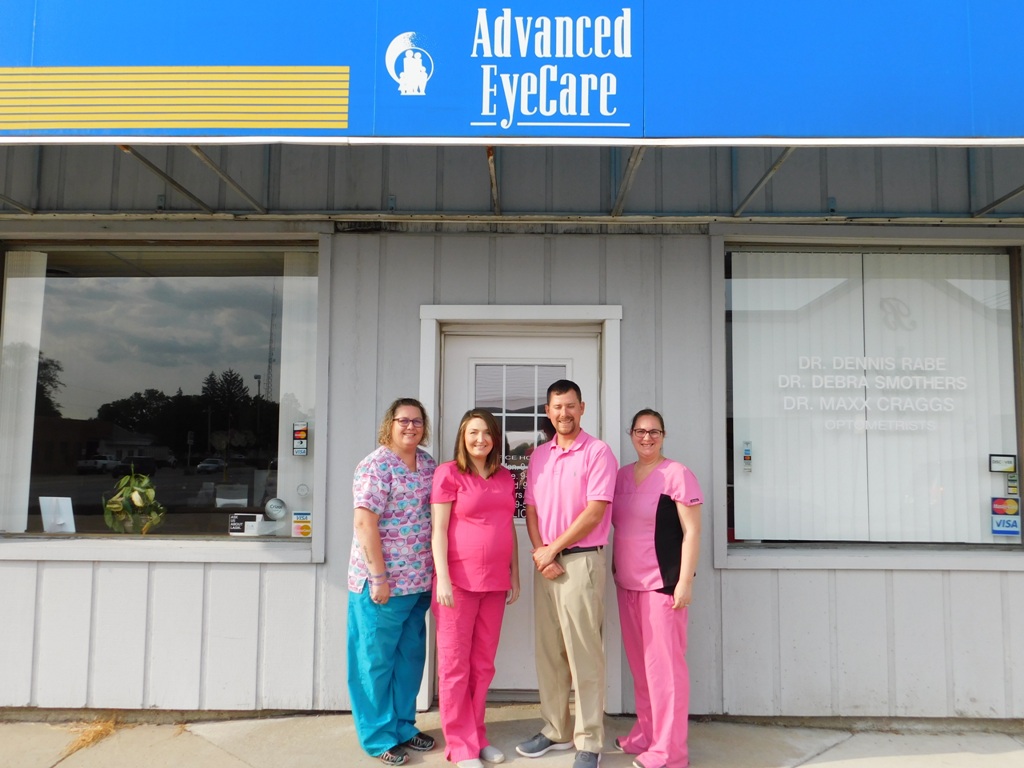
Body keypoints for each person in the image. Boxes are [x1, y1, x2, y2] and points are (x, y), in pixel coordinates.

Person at [516, 380, 618, 768]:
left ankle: (589, 740)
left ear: (582, 408)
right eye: (557, 407)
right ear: (548, 411)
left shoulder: (597, 452)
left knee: (584, 654)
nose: (564, 413)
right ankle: (556, 730)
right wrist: (542, 554)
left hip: (581, 562)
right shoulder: (539, 456)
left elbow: (595, 511)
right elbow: (531, 510)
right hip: (546, 563)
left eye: (571, 406)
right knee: (550, 651)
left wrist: (552, 548)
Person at [347, 398, 438, 767]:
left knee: (409, 659)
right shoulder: (376, 465)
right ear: (390, 424)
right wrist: (379, 577)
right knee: (375, 663)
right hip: (381, 586)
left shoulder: (428, 464)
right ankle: (377, 736)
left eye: (417, 421)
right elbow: (364, 522)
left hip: (418, 583)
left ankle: (402, 726)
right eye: (403, 420)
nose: (410, 427)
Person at [612, 409, 703, 768]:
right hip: (627, 584)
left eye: (654, 432)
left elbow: (692, 531)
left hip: (662, 587)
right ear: (631, 434)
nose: (646, 437)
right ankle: (647, 735)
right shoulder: (621, 476)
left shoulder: (677, 474)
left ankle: (670, 752)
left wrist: (685, 582)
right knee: (641, 669)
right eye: (640, 431)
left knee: (666, 672)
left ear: (664, 435)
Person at [431, 409, 521, 768]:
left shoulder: (504, 476)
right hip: (457, 583)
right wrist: (443, 578)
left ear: (495, 438)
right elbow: (438, 530)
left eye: (486, 432)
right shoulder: (448, 473)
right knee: (455, 666)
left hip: (495, 582)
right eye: (472, 432)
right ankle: (460, 745)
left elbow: (508, 525)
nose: (480, 439)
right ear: (462, 437)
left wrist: (515, 573)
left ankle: (478, 736)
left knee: (483, 665)